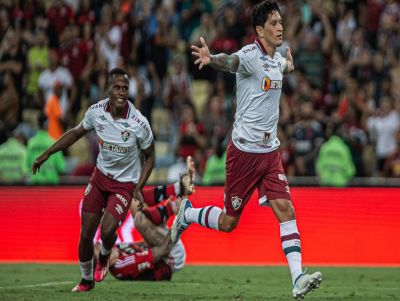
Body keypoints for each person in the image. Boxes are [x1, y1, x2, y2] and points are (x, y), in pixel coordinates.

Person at [171, 1, 322, 300]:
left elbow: (282, 69)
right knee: (229, 222)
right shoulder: (250, 55)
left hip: (270, 154)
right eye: (274, 23)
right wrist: (211, 58)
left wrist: (289, 66)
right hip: (244, 154)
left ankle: (297, 278)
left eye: (281, 22)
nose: (280, 27)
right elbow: (231, 62)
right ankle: (188, 214)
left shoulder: (276, 58)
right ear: (259, 30)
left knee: (286, 210)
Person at [32, 68, 155, 292]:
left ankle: (105, 256)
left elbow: (151, 157)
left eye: (125, 88)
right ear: (108, 89)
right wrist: (48, 152)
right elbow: (75, 133)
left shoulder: (139, 122)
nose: (121, 92)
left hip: (124, 184)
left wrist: (139, 186)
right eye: (116, 87)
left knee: (107, 231)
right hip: (99, 179)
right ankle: (86, 280)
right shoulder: (96, 112)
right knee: (86, 233)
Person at [100, 156, 195, 282]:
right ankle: (179, 197)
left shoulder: (115, 250)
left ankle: (180, 188)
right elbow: (160, 252)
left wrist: (157, 224)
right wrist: (176, 225)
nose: (103, 250)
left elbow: (145, 244)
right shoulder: (121, 265)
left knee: (134, 199)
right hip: (170, 258)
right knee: (140, 220)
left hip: (162, 246)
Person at [26, 114, 66, 185]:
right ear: (47, 124)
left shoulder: (31, 143)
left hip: (34, 183)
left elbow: (27, 165)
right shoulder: (53, 142)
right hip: (50, 184)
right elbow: (61, 167)